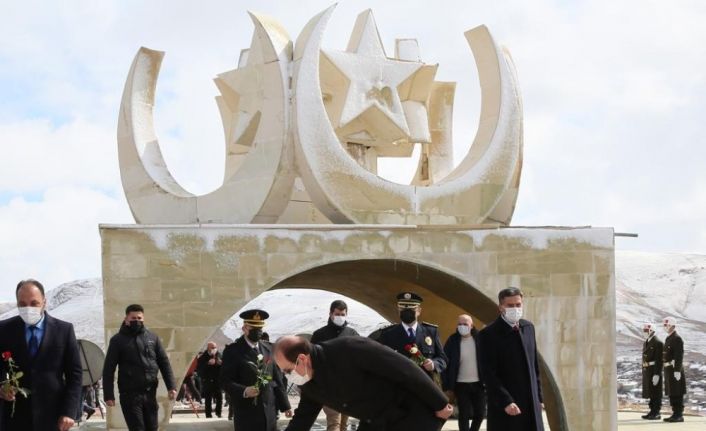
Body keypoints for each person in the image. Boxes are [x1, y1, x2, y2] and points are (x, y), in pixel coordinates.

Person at [274, 335, 453, 431]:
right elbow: (303, 418)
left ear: (302, 359)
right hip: (375, 421)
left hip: (411, 413)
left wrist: (439, 402)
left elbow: (404, 369)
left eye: (288, 370)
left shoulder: (349, 348)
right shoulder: (309, 383)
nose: (287, 376)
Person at [0, 279, 82, 431]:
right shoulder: (4, 329)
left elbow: (75, 375)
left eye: (34, 303)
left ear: (44, 302)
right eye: (22, 304)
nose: (28, 308)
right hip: (14, 416)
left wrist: (69, 411)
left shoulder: (64, 330)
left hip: (52, 416)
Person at [102, 304, 177, 431]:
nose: (136, 321)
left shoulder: (152, 338)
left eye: (139, 318)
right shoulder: (117, 340)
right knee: (137, 428)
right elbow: (109, 369)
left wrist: (171, 387)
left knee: (152, 428)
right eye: (133, 318)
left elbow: (164, 363)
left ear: (143, 318)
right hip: (129, 394)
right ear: (126, 319)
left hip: (150, 393)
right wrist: (108, 395)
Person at [478, 287, 544, 431]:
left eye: (518, 305)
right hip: (507, 406)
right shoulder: (488, 334)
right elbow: (488, 374)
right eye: (510, 305)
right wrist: (505, 401)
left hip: (531, 403)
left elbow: (534, 366)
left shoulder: (528, 328)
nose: (515, 308)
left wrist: (539, 396)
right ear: (501, 307)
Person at [219, 309, 292, 430]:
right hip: (247, 413)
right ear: (245, 328)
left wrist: (285, 405)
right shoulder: (233, 351)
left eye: (260, 328)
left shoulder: (269, 348)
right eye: (254, 328)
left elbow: (278, 379)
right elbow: (224, 381)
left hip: (269, 411)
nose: (258, 332)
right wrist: (244, 390)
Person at [310, 299, 360, 431]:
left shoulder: (352, 334)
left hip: (348, 388)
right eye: (337, 314)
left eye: (343, 314)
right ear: (331, 314)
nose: (340, 317)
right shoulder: (319, 335)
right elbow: (312, 360)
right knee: (334, 423)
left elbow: (361, 357)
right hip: (329, 388)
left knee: (344, 424)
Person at [377, 292, 447, 384]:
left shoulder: (431, 332)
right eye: (403, 309)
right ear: (398, 310)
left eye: (411, 309)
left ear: (419, 311)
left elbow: (442, 358)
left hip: (424, 385)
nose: (406, 312)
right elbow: (380, 360)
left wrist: (434, 364)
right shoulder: (387, 334)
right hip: (398, 386)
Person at [442, 314, 486, 431]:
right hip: (460, 384)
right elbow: (445, 362)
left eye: (465, 324)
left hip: (479, 383)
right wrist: (446, 384)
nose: (462, 326)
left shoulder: (480, 339)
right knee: (464, 414)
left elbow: (488, 359)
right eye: (460, 324)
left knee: (480, 413)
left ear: (471, 326)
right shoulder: (452, 340)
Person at [662, 316, 686, 423]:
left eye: (667, 325)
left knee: (677, 392)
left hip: (674, 369)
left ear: (672, 326)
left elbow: (679, 356)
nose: (665, 327)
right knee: (672, 392)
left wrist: (677, 370)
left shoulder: (677, 338)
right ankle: (674, 413)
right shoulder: (669, 338)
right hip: (668, 369)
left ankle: (678, 415)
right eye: (664, 325)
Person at [640, 322, 663, 420]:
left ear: (651, 331)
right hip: (647, 370)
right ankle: (652, 411)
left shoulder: (658, 342)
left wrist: (657, 374)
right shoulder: (646, 342)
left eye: (646, 330)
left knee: (656, 392)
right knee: (651, 392)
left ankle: (656, 412)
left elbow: (659, 359)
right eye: (644, 330)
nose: (645, 332)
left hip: (654, 371)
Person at [197, 341, 223, 418]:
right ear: (208, 348)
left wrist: (221, 364)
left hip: (217, 380)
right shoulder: (202, 357)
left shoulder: (219, 355)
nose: (214, 349)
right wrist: (207, 364)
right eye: (212, 347)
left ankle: (219, 412)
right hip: (207, 381)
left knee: (219, 398)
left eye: (215, 347)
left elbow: (224, 367)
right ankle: (208, 414)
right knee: (208, 399)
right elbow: (199, 371)